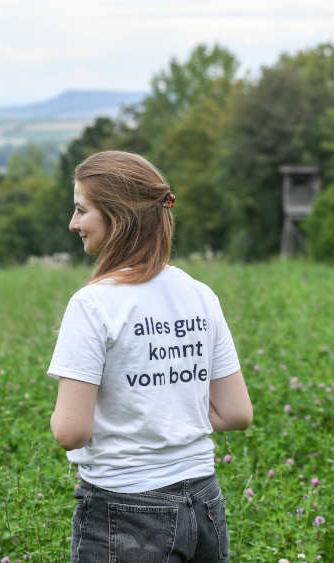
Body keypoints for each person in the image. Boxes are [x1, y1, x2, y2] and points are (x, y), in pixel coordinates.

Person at [46, 151, 253, 562]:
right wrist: (167, 414)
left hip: (125, 509)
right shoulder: (199, 295)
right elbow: (236, 413)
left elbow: (71, 431)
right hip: (204, 502)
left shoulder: (93, 304)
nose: (73, 223)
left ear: (117, 218)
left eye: (81, 210)